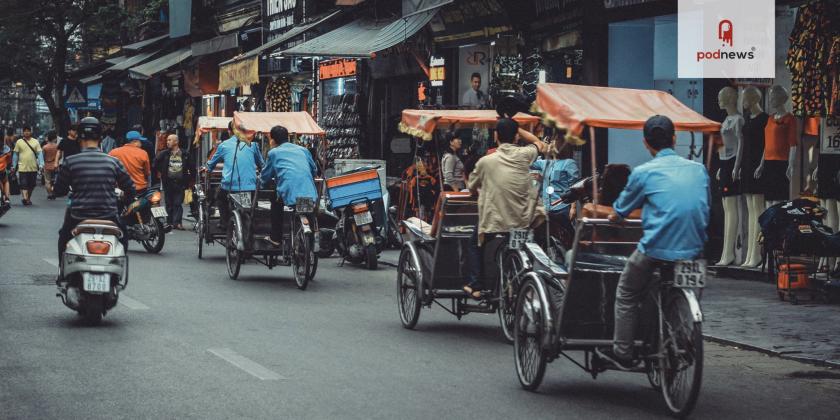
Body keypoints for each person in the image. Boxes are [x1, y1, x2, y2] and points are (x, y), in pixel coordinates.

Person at [596, 115, 710, 369]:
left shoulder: (643, 172)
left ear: (646, 143)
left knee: (626, 292)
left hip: (656, 248)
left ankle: (622, 351)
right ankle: (684, 335)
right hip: (696, 250)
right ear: (674, 138)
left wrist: (615, 217)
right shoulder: (698, 169)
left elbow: (621, 209)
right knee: (687, 290)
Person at [463, 118, 547, 298]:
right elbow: (538, 143)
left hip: (496, 222)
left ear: (496, 136)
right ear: (516, 137)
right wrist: (518, 128)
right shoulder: (525, 154)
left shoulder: (486, 162)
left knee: (473, 243)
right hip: (523, 220)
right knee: (524, 243)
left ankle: (476, 284)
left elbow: (471, 186)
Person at [53, 117, 135, 285]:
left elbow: (59, 190)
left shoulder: (71, 161)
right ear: (100, 138)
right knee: (124, 236)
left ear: (79, 137)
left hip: (78, 215)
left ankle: (63, 271)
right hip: (109, 215)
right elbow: (130, 188)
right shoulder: (113, 162)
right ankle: (118, 275)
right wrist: (127, 198)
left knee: (64, 237)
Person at [260, 125, 318, 246]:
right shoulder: (303, 150)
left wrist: (261, 183)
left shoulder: (273, 153)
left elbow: (265, 176)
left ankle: (276, 237)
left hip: (288, 193)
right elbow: (314, 170)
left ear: (273, 140)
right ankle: (312, 244)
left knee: (275, 202)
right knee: (308, 213)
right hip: (308, 192)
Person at [203, 123, 264, 229]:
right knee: (253, 202)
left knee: (220, 197)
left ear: (229, 131)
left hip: (229, 185)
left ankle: (224, 222)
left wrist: (207, 168)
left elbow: (211, 164)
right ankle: (252, 221)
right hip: (250, 186)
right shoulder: (253, 145)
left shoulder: (224, 145)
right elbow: (262, 165)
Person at [530, 132, 580, 237]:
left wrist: (573, 207)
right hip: (546, 207)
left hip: (561, 207)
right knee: (547, 237)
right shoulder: (544, 163)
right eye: (550, 141)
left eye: (554, 141)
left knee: (564, 235)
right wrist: (540, 146)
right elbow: (528, 162)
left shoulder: (569, 163)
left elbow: (575, 187)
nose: (551, 143)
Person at [154, 134, 192, 230]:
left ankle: (178, 223)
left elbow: (192, 167)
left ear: (176, 142)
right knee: (169, 203)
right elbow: (155, 163)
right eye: (167, 140)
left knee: (178, 203)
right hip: (168, 182)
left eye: (170, 140)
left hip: (180, 182)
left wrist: (190, 180)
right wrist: (163, 171)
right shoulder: (165, 153)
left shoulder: (185, 154)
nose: (167, 142)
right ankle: (169, 222)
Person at [109, 130, 152, 195]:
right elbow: (147, 173)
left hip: (120, 190)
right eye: (140, 141)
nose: (141, 144)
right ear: (135, 141)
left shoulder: (113, 152)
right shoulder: (143, 153)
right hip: (139, 189)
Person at [11, 126, 44, 205]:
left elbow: (40, 154)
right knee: (23, 184)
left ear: (31, 132)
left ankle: (28, 198)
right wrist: (13, 165)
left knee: (31, 185)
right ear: (23, 132)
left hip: (33, 167)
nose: (26, 132)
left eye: (28, 131)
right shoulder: (19, 142)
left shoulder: (35, 142)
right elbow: (15, 155)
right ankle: (25, 198)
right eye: (25, 131)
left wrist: (41, 164)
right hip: (22, 167)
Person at [42, 131, 59, 200]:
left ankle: (50, 193)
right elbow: (60, 156)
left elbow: (42, 157)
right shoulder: (57, 146)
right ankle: (53, 192)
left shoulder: (45, 147)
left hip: (47, 165)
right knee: (55, 180)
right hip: (55, 165)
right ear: (54, 139)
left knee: (47, 181)